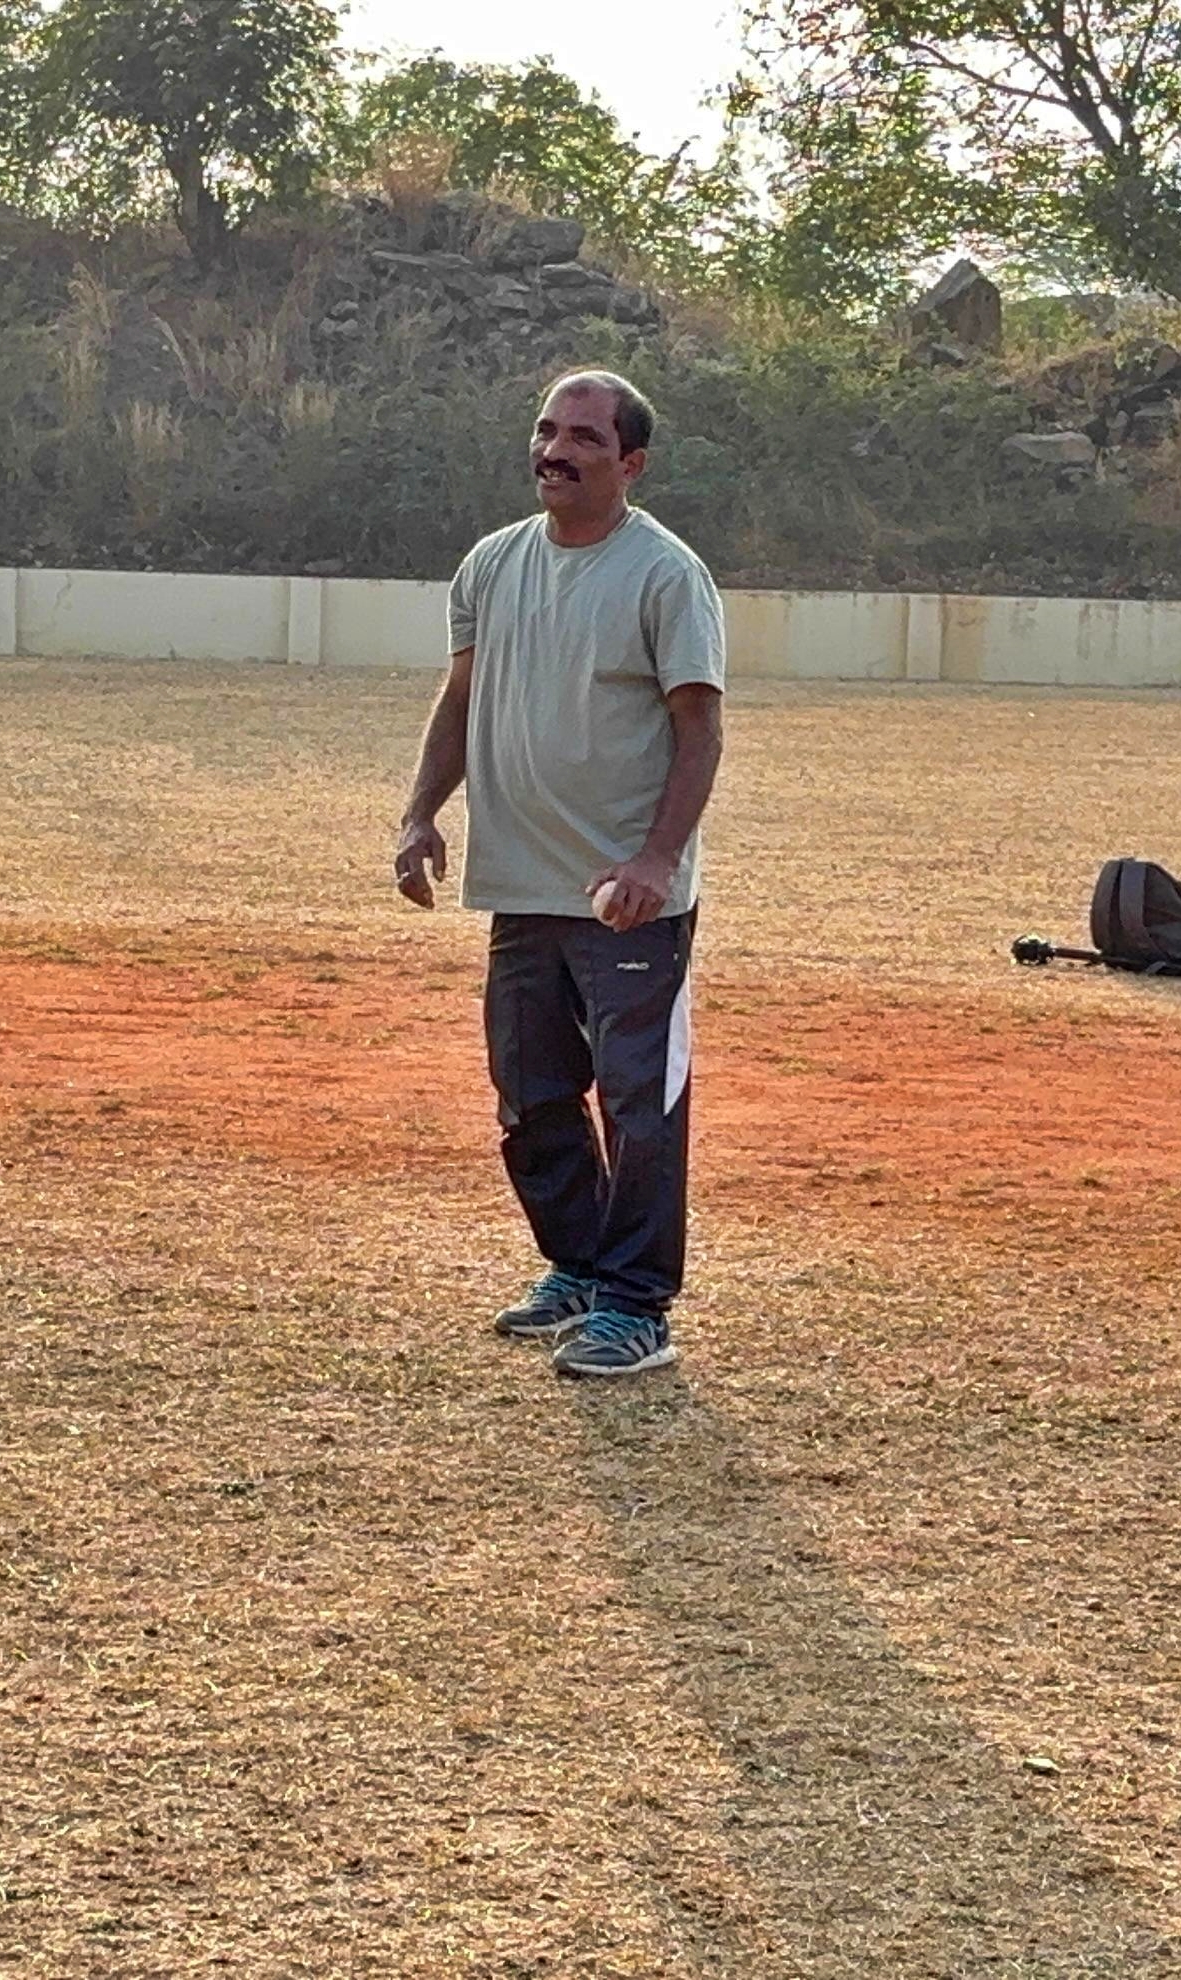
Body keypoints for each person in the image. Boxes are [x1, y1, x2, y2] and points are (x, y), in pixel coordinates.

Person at [394, 370, 727, 1378]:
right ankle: (577, 1267)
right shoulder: (491, 565)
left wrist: (656, 861)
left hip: (627, 901)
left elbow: (699, 729)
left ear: (629, 463)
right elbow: (460, 701)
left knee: (638, 1105)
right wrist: (419, 813)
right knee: (530, 1097)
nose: (556, 449)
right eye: (546, 429)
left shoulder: (665, 575)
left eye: (582, 436)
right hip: (520, 883)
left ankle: (637, 1306)